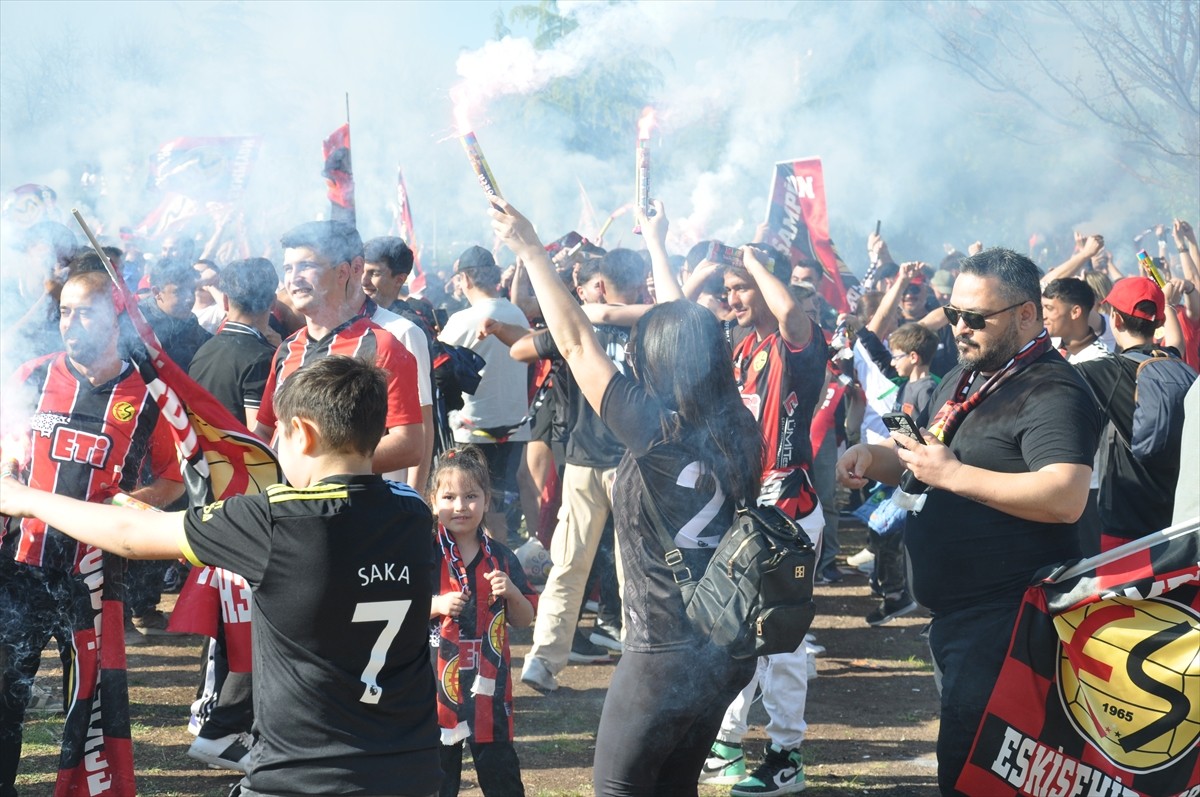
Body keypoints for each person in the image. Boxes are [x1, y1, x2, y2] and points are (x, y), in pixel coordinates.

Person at [0, 355, 443, 796]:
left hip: (306, 776)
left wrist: (28, 499)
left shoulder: (276, 521)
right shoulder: (412, 512)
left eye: (278, 436)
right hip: (412, 769)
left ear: (303, 434)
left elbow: (130, 535)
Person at [490, 198, 762, 795]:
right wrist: (660, 246)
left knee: (619, 789)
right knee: (674, 787)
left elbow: (576, 343)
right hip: (725, 647)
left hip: (663, 650)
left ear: (657, 361)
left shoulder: (657, 432)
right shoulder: (739, 423)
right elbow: (685, 324)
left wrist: (530, 248)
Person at [836, 247, 1101, 795]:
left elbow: (1065, 495)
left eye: (976, 318)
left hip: (1012, 621)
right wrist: (876, 459)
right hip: (962, 619)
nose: (959, 328)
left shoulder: (1051, 389)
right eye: (953, 313)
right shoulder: (965, 373)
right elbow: (928, 457)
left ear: (1027, 314)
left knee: (976, 777)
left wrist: (953, 474)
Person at [0, 270, 185, 796]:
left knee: (89, 698)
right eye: (64, 312)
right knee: (4, 689)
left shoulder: (149, 395)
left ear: (116, 317)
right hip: (20, 565)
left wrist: (129, 508)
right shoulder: (32, 376)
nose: (70, 323)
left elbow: (174, 480)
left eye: (84, 311)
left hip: (97, 572)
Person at [705, 238, 825, 796]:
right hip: (745, 511)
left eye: (740, 289)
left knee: (781, 640)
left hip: (789, 513)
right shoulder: (740, 346)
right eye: (727, 290)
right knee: (733, 630)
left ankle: (785, 754)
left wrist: (755, 260)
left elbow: (792, 317)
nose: (731, 299)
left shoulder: (794, 344)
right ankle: (728, 743)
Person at [252, 221, 424, 476]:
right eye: (288, 268)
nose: (294, 278)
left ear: (344, 272)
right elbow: (265, 430)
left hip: (348, 511)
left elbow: (409, 444)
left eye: (307, 266)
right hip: (282, 509)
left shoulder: (381, 345)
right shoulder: (287, 349)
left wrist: (325, 471)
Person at [429, 446, 536, 797]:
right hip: (435, 693)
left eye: (471, 496)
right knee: (438, 780)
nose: (460, 506)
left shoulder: (502, 558)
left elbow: (525, 618)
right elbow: (403, 609)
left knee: (501, 775)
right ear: (433, 501)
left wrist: (513, 595)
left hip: (490, 691)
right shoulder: (423, 555)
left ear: (487, 501)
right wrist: (438, 603)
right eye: (449, 496)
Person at [1074, 277, 1197, 551]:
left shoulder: (1103, 371)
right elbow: (1177, 340)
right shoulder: (1173, 360)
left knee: (1123, 596)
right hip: (1176, 520)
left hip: (1125, 526)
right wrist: (1170, 306)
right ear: (1158, 321)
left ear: (1115, 320)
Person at [438, 246, 531, 545]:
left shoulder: (462, 320)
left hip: (472, 428)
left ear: (464, 278)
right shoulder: (515, 312)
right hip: (514, 427)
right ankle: (502, 566)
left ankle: (483, 571)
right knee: (498, 505)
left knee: (472, 508)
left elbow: (437, 366)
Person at [140, 256, 213, 371]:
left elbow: (211, 347)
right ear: (157, 292)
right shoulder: (139, 322)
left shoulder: (189, 321)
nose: (190, 298)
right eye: (179, 291)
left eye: (192, 290)